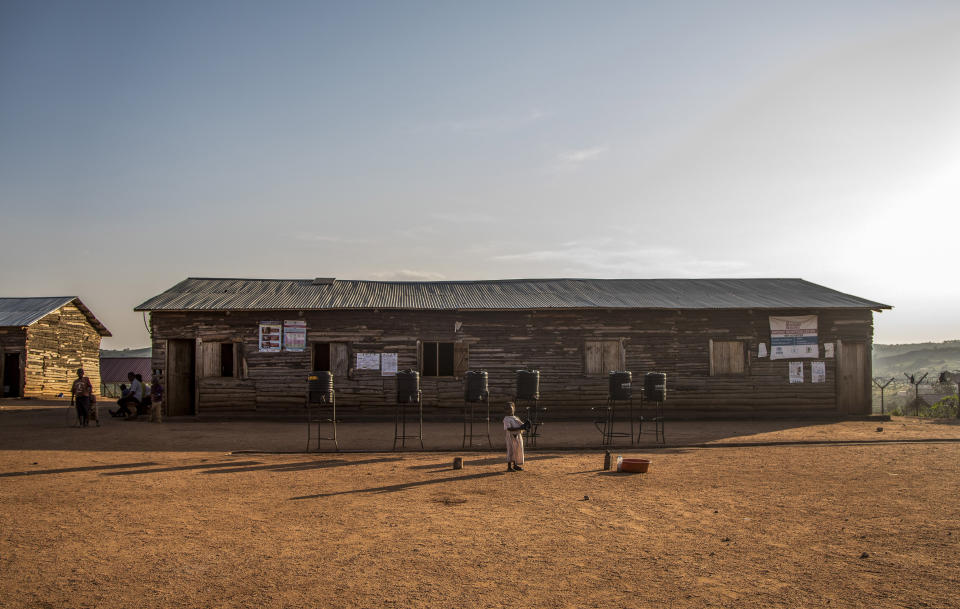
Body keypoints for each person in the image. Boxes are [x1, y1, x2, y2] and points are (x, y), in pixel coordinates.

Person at [503, 402, 526, 472]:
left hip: (518, 435)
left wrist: (526, 426)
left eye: (510, 408)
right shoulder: (506, 419)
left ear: (514, 409)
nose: (509, 410)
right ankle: (509, 467)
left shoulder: (515, 418)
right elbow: (509, 428)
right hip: (510, 436)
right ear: (505, 411)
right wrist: (520, 428)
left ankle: (515, 465)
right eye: (507, 409)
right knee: (511, 450)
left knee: (517, 449)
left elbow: (522, 425)